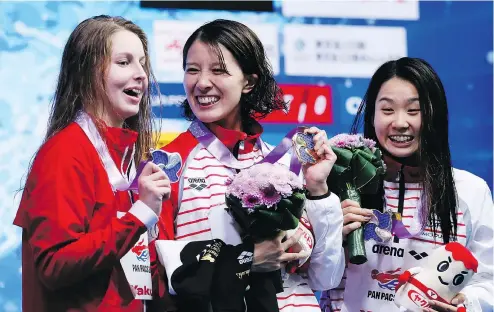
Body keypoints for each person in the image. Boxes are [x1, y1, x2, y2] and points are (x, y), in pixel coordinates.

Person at [156, 19, 345, 312]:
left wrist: (318, 190)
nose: (201, 82)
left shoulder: (284, 163)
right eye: (192, 69)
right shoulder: (169, 165)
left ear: (249, 82)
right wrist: (248, 259)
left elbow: (325, 277)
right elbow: (161, 274)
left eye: (218, 70)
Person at [13, 15, 176, 311]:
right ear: (87, 72)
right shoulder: (65, 153)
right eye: (124, 62)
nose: (141, 74)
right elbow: (55, 265)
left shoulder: (129, 159)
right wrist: (138, 216)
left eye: (142, 62)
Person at [320, 57, 493, 312]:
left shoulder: (470, 191)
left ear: (435, 115)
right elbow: (312, 277)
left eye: (414, 110)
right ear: (372, 114)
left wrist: (463, 303)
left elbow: (488, 281)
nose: (400, 122)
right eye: (387, 110)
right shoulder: (340, 186)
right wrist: (332, 235)